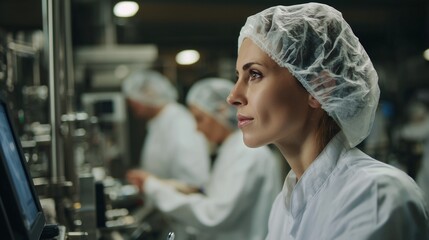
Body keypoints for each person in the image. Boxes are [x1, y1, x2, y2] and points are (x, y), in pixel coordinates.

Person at [227, 3, 429, 239]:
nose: (233, 97)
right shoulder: (283, 207)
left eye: (255, 74)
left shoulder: (375, 196)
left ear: (319, 88)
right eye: (238, 76)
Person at [127, 78, 282, 240]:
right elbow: (218, 194)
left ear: (221, 111)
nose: (197, 129)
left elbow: (214, 216)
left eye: (200, 119)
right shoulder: (231, 149)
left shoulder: (247, 153)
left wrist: (153, 188)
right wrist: (181, 188)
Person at [122, 69, 210, 188]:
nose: (133, 106)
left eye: (135, 99)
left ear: (150, 93)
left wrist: (152, 184)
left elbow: (193, 182)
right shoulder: (158, 121)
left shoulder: (180, 123)